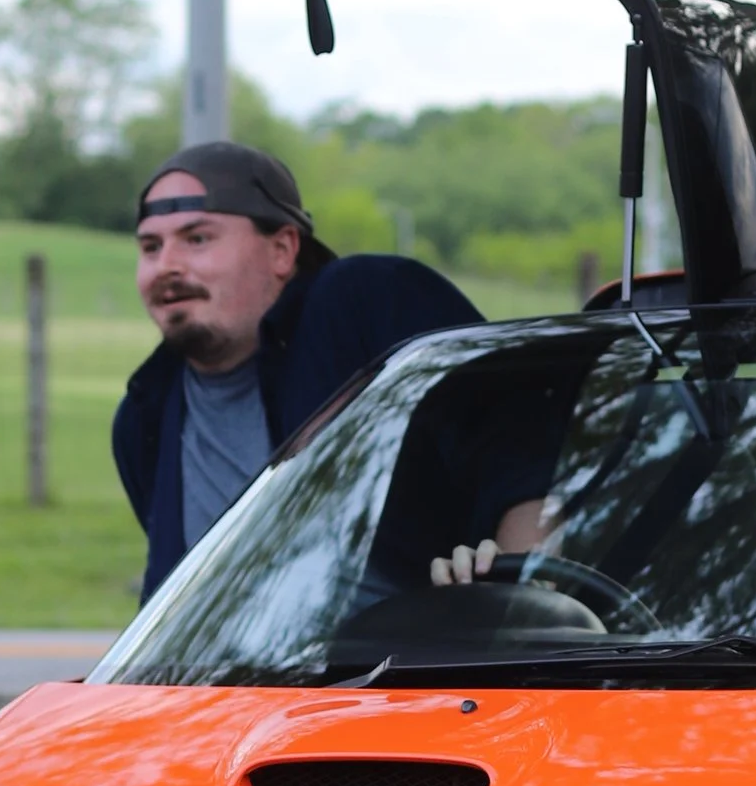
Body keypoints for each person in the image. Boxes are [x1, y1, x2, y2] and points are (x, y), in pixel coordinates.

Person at [113, 141, 482, 596]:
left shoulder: (362, 311)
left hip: (419, 662)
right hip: (232, 669)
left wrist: (519, 573)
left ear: (283, 250)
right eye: (150, 247)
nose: (166, 266)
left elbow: (524, 443)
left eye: (197, 239)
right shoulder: (142, 418)